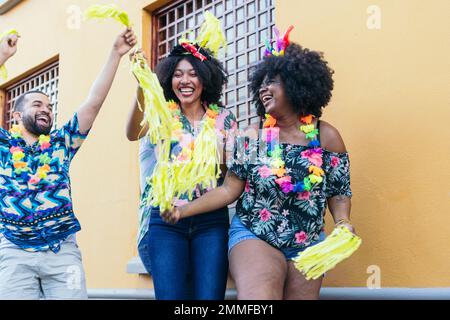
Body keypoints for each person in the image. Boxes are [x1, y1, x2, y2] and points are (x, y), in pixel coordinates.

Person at [162, 36, 355, 300]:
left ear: (298, 84)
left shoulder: (326, 136)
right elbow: (229, 189)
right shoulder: (253, 136)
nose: (264, 89)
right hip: (256, 234)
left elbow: (339, 191)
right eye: (261, 83)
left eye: (272, 81)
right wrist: (184, 210)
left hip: (308, 241)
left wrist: (343, 221)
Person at [0, 28, 137, 300]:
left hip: (62, 252)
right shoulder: (4, 146)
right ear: (16, 115)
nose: (46, 110)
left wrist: (115, 53)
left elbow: (93, 103)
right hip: (13, 251)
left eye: (50, 107)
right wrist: (2, 56)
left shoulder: (62, 143)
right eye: (37, 104)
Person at [126, 43, 237, 300]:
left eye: (192, 73)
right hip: (165, 223)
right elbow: (132, 132)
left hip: (211, 222)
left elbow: (229, 176)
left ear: (205, 78)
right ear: (169, 79)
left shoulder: (224, 119)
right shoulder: (161, 112)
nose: (185, 80)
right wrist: (143, 85)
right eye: (178, 74)